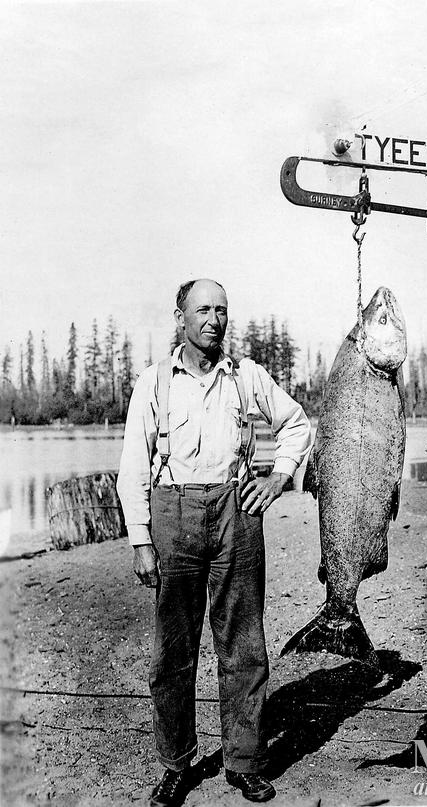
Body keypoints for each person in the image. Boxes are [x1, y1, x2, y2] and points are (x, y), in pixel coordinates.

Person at [117, 279, 311, 806]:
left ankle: (244, 762)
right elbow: (133, 467)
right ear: (179, 317)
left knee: (244, 646)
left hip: (236, 515)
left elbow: (297, 425)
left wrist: (278, 478)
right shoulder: (154, 382)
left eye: (222, 310)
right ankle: (176, 765)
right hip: (173, 513)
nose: (213, 320)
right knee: (171, 654)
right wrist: (140, 541)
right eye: (202, 309)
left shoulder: (246, 376)